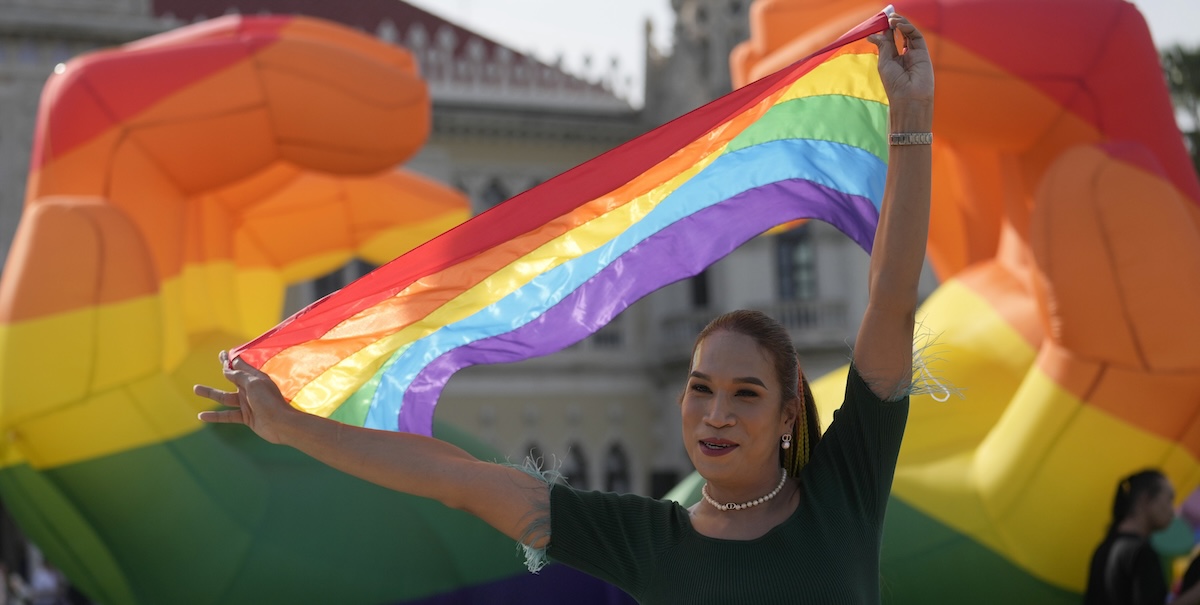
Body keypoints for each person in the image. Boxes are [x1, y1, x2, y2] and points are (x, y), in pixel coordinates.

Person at [195, 13, 931, 603]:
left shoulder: (846, 489)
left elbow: (892, 301)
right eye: (700, 389)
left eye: (745, 393)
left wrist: (910, 123)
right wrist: (292, 426)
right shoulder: (643, 539)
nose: (715, 414)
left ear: (788, 414)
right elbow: (454, 478)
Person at [1083, 470, 1200, 605]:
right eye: (1169, 499)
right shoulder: (1140, 553)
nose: (1172, 510)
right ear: (1146, 499)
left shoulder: (1106, 547)